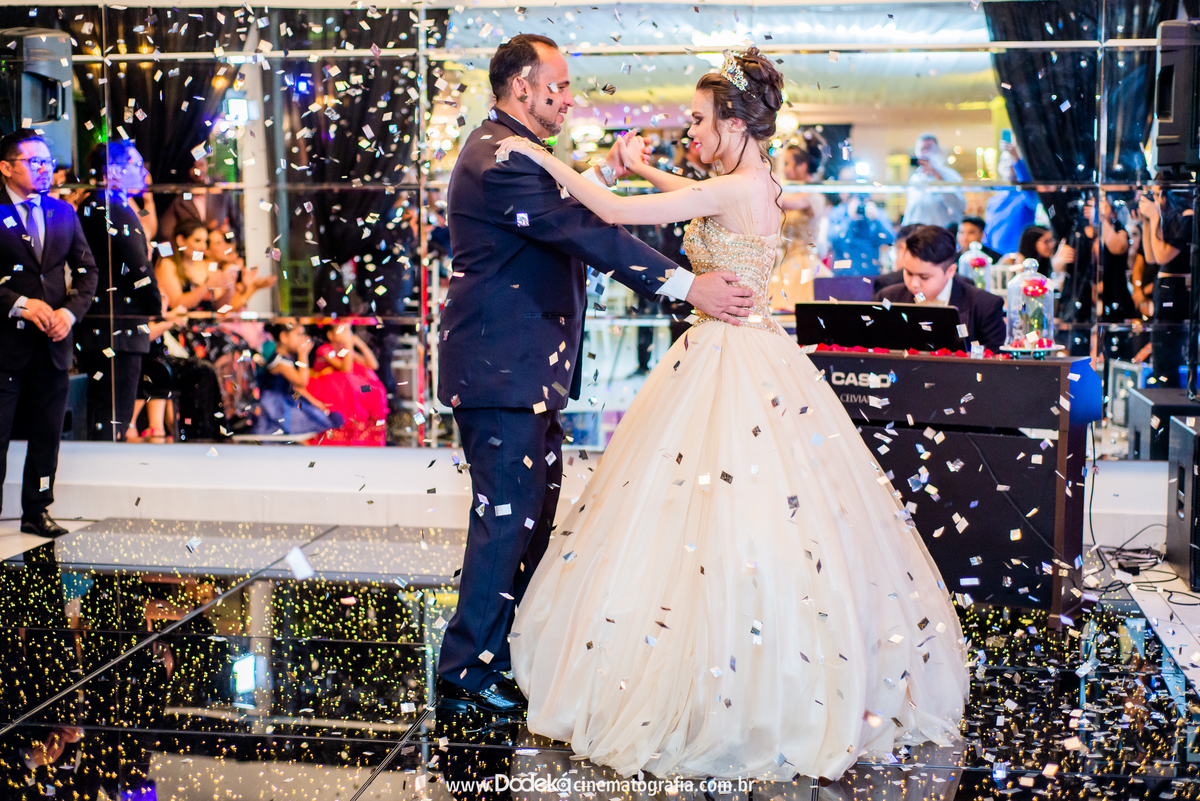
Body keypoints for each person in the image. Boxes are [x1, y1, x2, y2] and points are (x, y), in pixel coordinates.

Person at [496, 50, 968, 782]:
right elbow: (695, 194)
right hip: (751, 349)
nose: (690, 129)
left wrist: (538, 155)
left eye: (698, 119)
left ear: (735, 124)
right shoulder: (760, 181)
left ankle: (716, 683)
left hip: (725, 354)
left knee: (713, 511)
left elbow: (613, 213)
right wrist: (644, 168)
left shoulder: (731, 188)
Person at [434, 33, 754, 718]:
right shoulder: (502, 158)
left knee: (528, 516)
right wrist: (688, 286)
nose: (570, 97)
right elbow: (588, 234)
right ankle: (464, 671)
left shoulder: (515, 152)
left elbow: (560, 213)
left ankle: (500, 651)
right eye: (559, 85)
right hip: (501, 371)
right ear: (522, 87)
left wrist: (604, 173)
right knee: (506, 519)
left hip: (521, 371)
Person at [0, 129, 98, 538]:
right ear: (6, 167)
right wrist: (20, 303)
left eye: (47, 161)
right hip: (5, 346)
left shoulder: (63, 213)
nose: (45, 169)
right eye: (34, 161)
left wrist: (69, 313)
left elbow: (89, 272)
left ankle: (37, 510)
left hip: (54, 344)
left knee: (47, 437)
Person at [76, 141, 163, 441]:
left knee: (101, 415)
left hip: (101, 323)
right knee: (112, 418)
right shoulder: (114, 206)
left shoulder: (91, 204)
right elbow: (139, 267)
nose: (144, 174)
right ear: (113, 171)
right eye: (136, 166)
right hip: (119, 325)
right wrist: (156, 306)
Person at [871, 225, 1006, 351]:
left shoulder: (984, 306)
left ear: (950, 271)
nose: (914, 284)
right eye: (909, 273)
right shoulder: (888, 298)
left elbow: (994, 361)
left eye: (924, 277)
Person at [1139, 185, 1195, 386]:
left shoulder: (1188, 216)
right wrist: (1147, 222)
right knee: (1161, 357)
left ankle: (1170, 395)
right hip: (1164, 288)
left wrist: (1154, 217)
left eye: (1157, 195)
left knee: (1168, 355)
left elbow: (1163, 256)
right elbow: (1150, 257)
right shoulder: (1170, 219)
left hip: (1176, 291)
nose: (1155, 200)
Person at [252, 320, 344, 437]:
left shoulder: (287, 358)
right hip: (276, 404)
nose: (303, 339)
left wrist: (315, 402)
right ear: (284, 337)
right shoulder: (279, 361)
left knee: (328, 417)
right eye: (298, 334)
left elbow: (297, 388)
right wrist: (303, 354)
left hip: (288, 398)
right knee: (315, 422)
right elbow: (302, 382)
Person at [767, 131, 826, 309]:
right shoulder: (797, 192)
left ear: (802, 166)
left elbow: (784, 202)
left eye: (787, 164)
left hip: (803, 264)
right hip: (789, 263)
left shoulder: (812, 194)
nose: (784, 169)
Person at [306, 323, 389, 446]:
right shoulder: (325, 350)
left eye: (349, 330)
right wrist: (349, 345)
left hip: (346, 387)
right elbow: (345, 370)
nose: (347, 334)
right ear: (330, 335)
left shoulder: (345, 351)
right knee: (350, 385)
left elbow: (373, 365)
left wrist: (360, 344)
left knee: (375, 388)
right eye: (343, 330)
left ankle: (369, 435)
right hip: (326, 388)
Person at [826, 166, 895, 276]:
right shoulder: (838, 212)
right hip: (842, 275)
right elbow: (831, 239)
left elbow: (890, 239)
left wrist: (877, 220)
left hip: (870, 274)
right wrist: (849, 219)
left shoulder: (875, 212)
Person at [982, 140, 1039, 256]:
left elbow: (1029, 191)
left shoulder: (1025, 197)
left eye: (1011, 161)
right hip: (996, 258)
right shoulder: (994, 200)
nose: (1009, 164)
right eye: (1005, 161)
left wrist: (1017, 160)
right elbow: (988, 232)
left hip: (1019, 256)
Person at [901, 133, 965, 229]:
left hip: (940, 233)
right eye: (922, 149)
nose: (925, 153)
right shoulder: (915, 179)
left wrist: (938, 177)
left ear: (938, 150)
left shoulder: (951, 176)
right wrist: (904, 232)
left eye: (929, 148)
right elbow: (910, 211)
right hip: (917, 233)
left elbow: (959, 206)